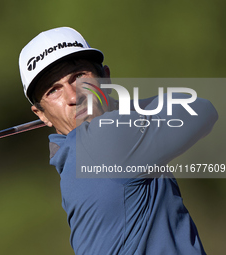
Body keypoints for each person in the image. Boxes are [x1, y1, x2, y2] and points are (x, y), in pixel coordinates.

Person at [18, 27, 218, 254]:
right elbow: (201, 110)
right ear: (41, 114)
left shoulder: (66, 157)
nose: (74, 96)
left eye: (79, 77)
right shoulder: (110, 137)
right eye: (54, 90)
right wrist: (115, 104)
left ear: (105, 77)